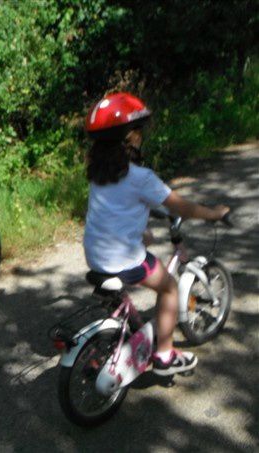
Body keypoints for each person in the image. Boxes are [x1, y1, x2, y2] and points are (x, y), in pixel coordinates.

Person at [83, 92, 229, 376]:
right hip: (121, 261)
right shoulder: (141, 178)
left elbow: (116, 211)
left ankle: (117, 336)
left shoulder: (96, 174)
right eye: (138, 131)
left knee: (144, 242)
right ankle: (164, 354)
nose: (140, 136)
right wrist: (214, 213)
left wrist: (142, 230)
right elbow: (182, 207)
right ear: (130, 138)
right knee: (169, 287)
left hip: (95, 255)